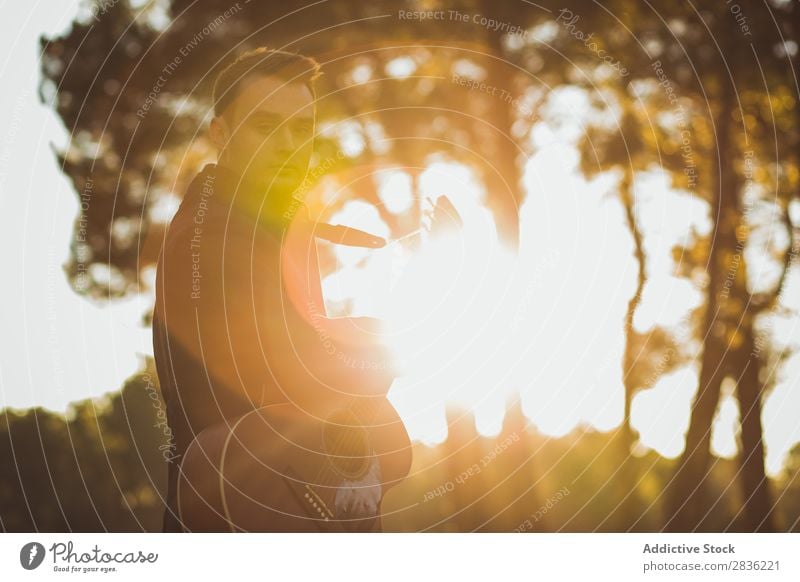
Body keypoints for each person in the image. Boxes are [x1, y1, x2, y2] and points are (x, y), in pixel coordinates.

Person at [152, 48, 402, 532]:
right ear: (220, 134)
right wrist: (386, 340)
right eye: (266, 127)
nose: (288, 146)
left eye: (300, 130)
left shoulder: (268, 226)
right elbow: (300, 366)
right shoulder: (210, 235)